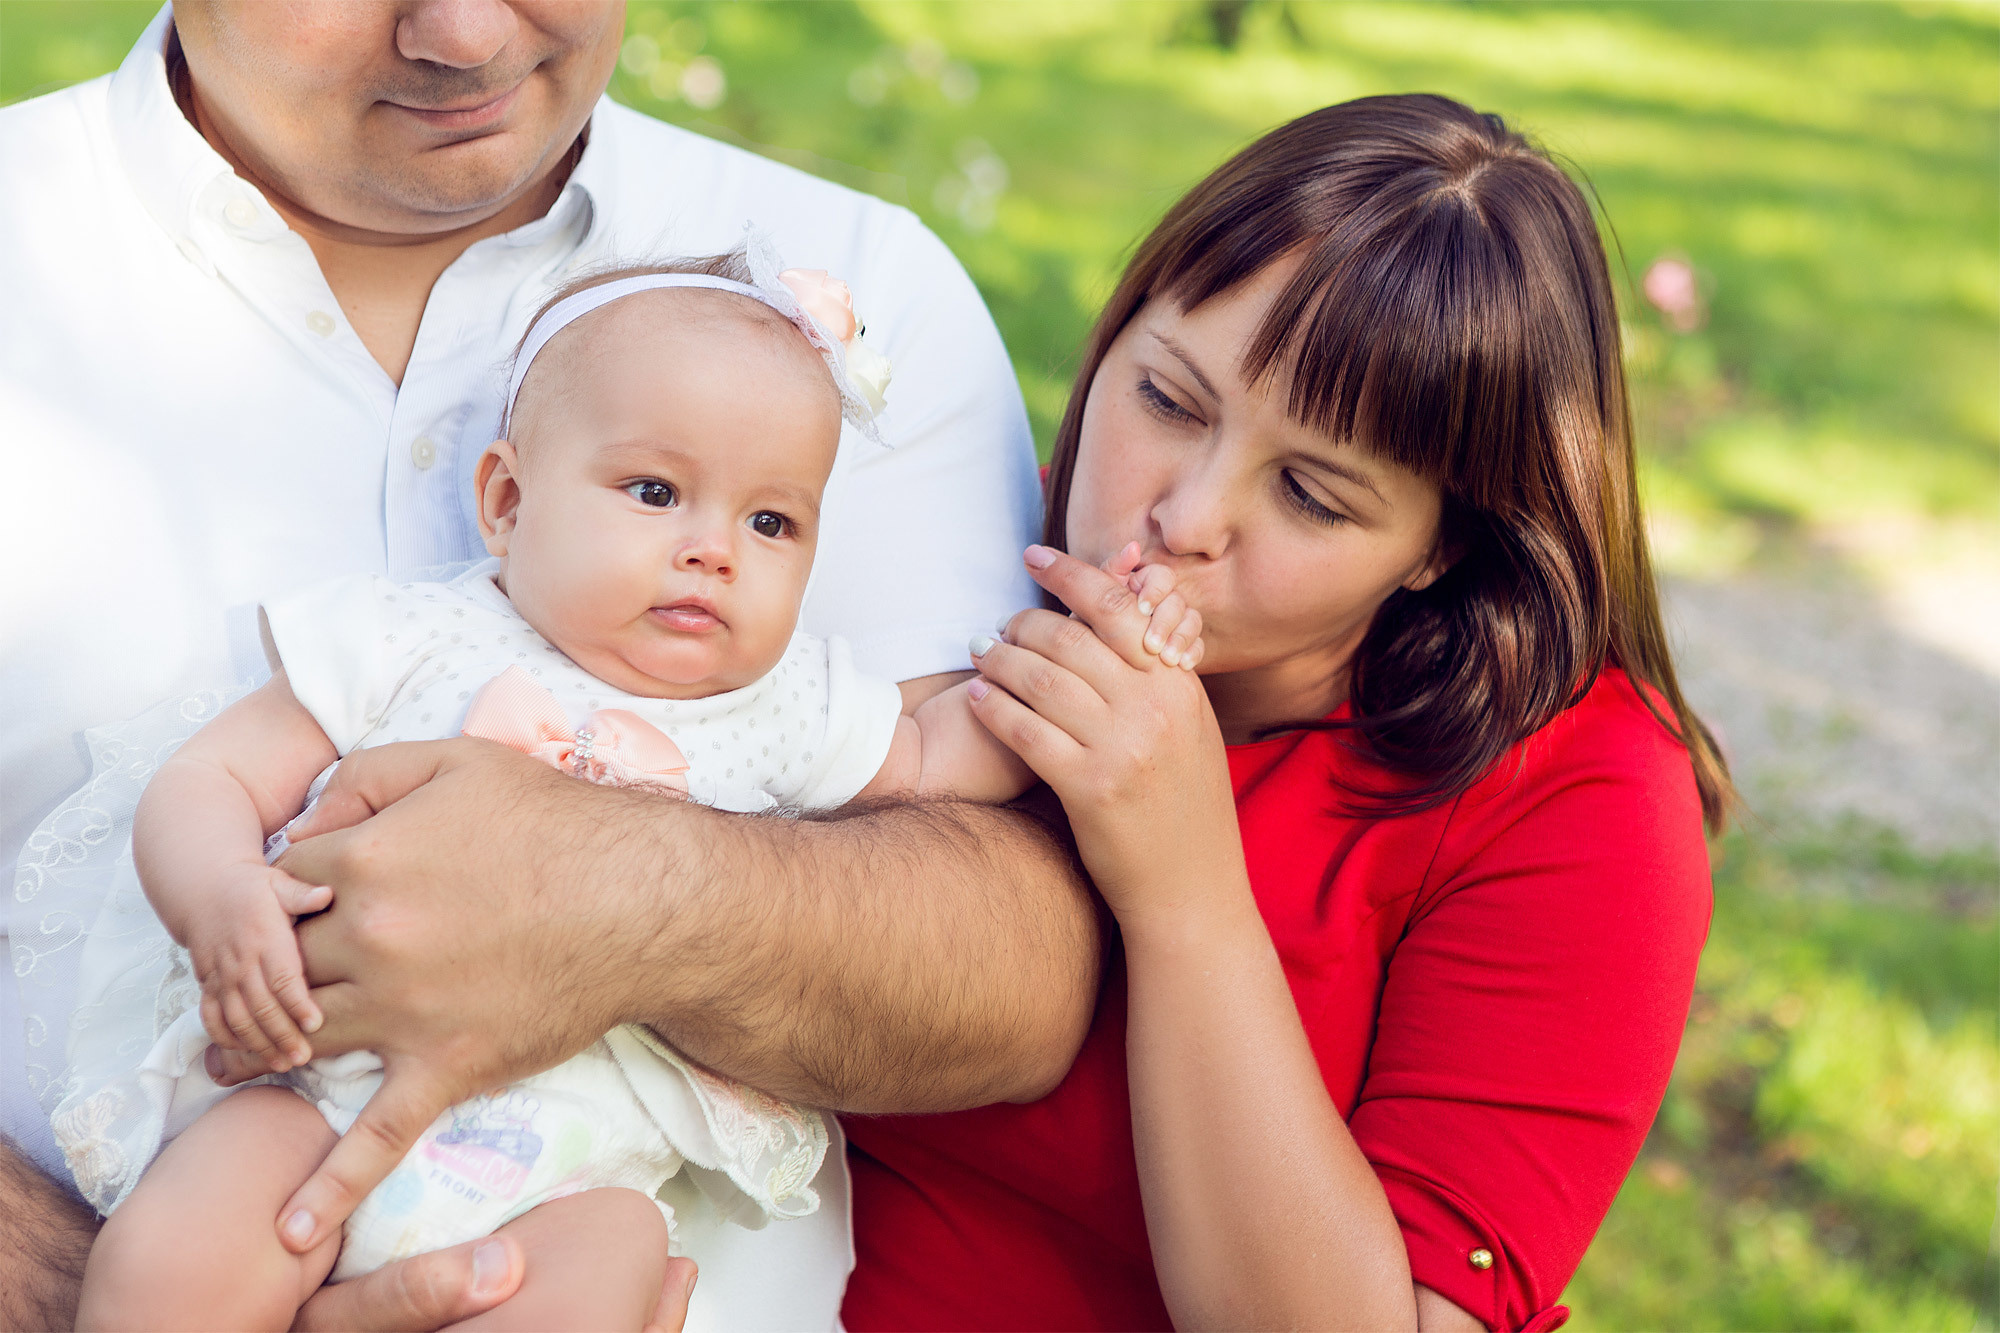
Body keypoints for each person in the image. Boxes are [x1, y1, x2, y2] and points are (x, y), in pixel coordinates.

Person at [2, 5, 1098, 1329]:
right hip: (257, 1130)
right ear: (504, 501)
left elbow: (1021, 962)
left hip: (568, 1189)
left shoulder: (854, 296)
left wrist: (624, 895)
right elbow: (214, 781)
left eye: (770, 524)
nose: (462, 33)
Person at [842, 95, 1722, 1332]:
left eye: (1310, 494)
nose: (1184, 518)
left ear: (1437, 545)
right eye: (1166, 400)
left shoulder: (1580, 798)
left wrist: (1186, 895)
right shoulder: (956, 543)